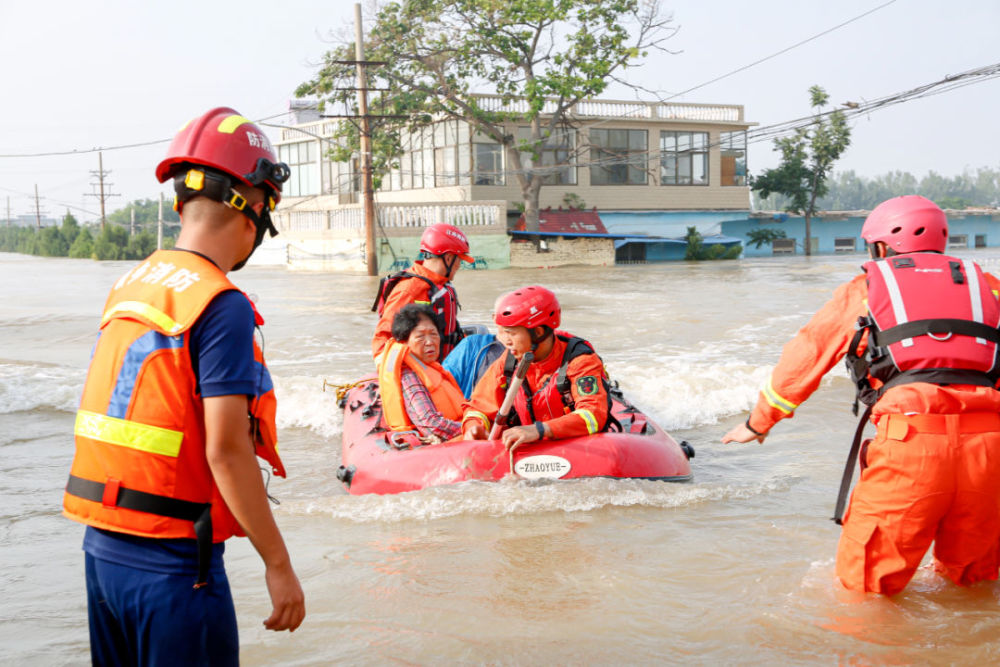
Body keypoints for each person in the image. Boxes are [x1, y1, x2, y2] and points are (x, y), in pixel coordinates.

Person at [62, 107, 306, 665]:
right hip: (173, 568)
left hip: (102, 552)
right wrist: (278, 563)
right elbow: (226, 449)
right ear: (255, 207)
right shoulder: (220, 305)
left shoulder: (133, 282)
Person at [722, 195, 1000, 596]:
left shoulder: (866, 289)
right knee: (974, 585)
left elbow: (808, 355)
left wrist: (758, 422)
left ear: (882, 247)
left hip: (911, 445)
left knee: (866, 592)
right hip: (990, 451)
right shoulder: (988, 288)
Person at [462, 285, 612, 448]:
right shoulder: (510, 360)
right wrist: (473, 426)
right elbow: (479, 406)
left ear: (538, 332)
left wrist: (540, 430)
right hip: (530, 447)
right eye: (502, 332)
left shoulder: (579, 360)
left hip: (575, 448)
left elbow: (593, 414)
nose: (504, 340)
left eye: (511, 333)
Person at [371, 222, 474, 360]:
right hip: (427, 368)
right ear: (448, 258)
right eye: (459, 259)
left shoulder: (441, 284)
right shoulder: (409, 290)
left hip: (446, 361)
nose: (459, 265)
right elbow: (382, 341)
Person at [377, 304, 466, 443]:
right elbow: (430, 425)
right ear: (404, 342)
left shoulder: (430, 367)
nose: (430, 342)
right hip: (443, 448)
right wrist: (472, 428)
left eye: (433, 334)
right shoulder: (409, 376)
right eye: (420, 337)